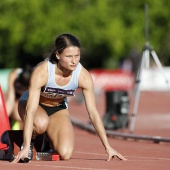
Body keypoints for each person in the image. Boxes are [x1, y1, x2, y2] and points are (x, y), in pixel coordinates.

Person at [12, 33, 127, 163]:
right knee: (40, 123)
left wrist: (108, 147)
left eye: (77, 56)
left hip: (58, 109)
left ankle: (46, 141)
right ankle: (29, 140)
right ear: (57, 55)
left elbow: (93, 113)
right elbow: (30, 110)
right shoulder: (42, 71)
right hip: (32, 106)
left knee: (65, 153)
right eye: (69, 56)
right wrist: (26, 145)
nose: (74, 61)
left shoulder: (83, 76)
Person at [5, 65, 33, 129]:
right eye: (19, 87)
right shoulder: (14, 75)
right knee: (17, 114)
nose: (19, 88)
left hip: (31, 99)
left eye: (22, 88)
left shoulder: (36, 79)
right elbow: (10, 101)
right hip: (15, 100)